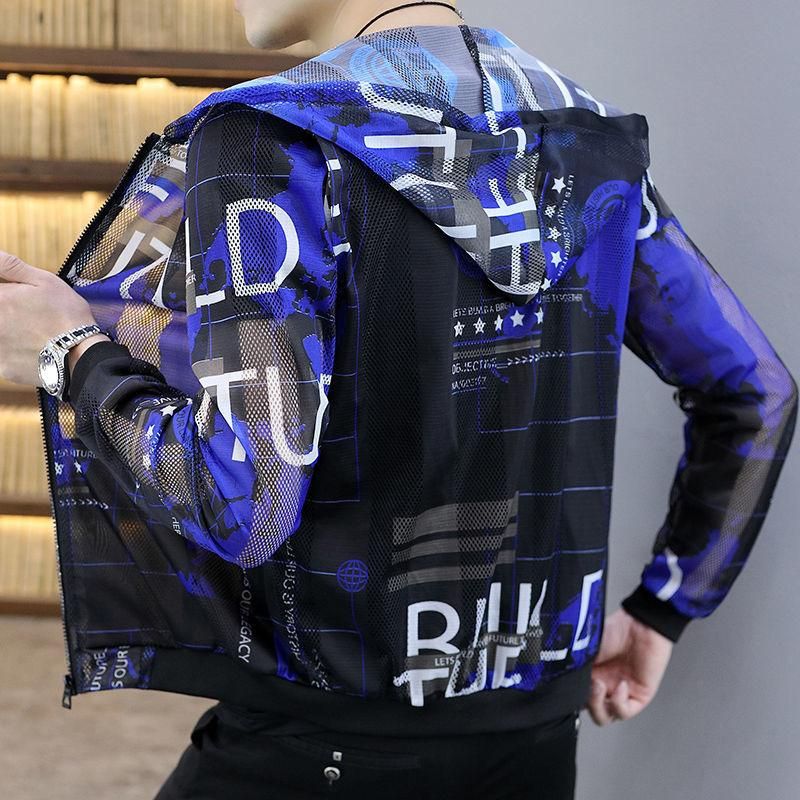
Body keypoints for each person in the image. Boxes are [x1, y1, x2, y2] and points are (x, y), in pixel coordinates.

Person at [0, 1, 796, 798]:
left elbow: (246, 504)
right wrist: (663, 611)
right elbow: (756, 391)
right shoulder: (585, 138)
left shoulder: (270, 139)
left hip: (319, 747)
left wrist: (73, 355)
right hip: (535, 742)